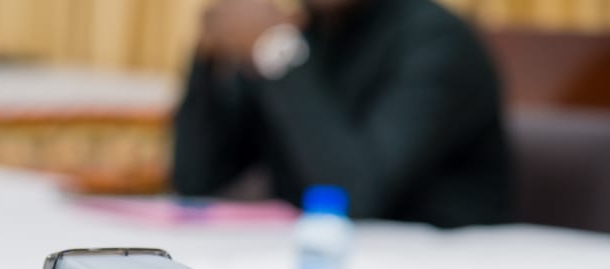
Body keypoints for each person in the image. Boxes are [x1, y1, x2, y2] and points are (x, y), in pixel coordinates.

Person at [172, 0, 513, 228]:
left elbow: (352, 197)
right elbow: (198, 180)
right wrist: (211, 59)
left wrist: (277, 51)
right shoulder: (302, 35)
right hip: (319, 265)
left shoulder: (438, 40)